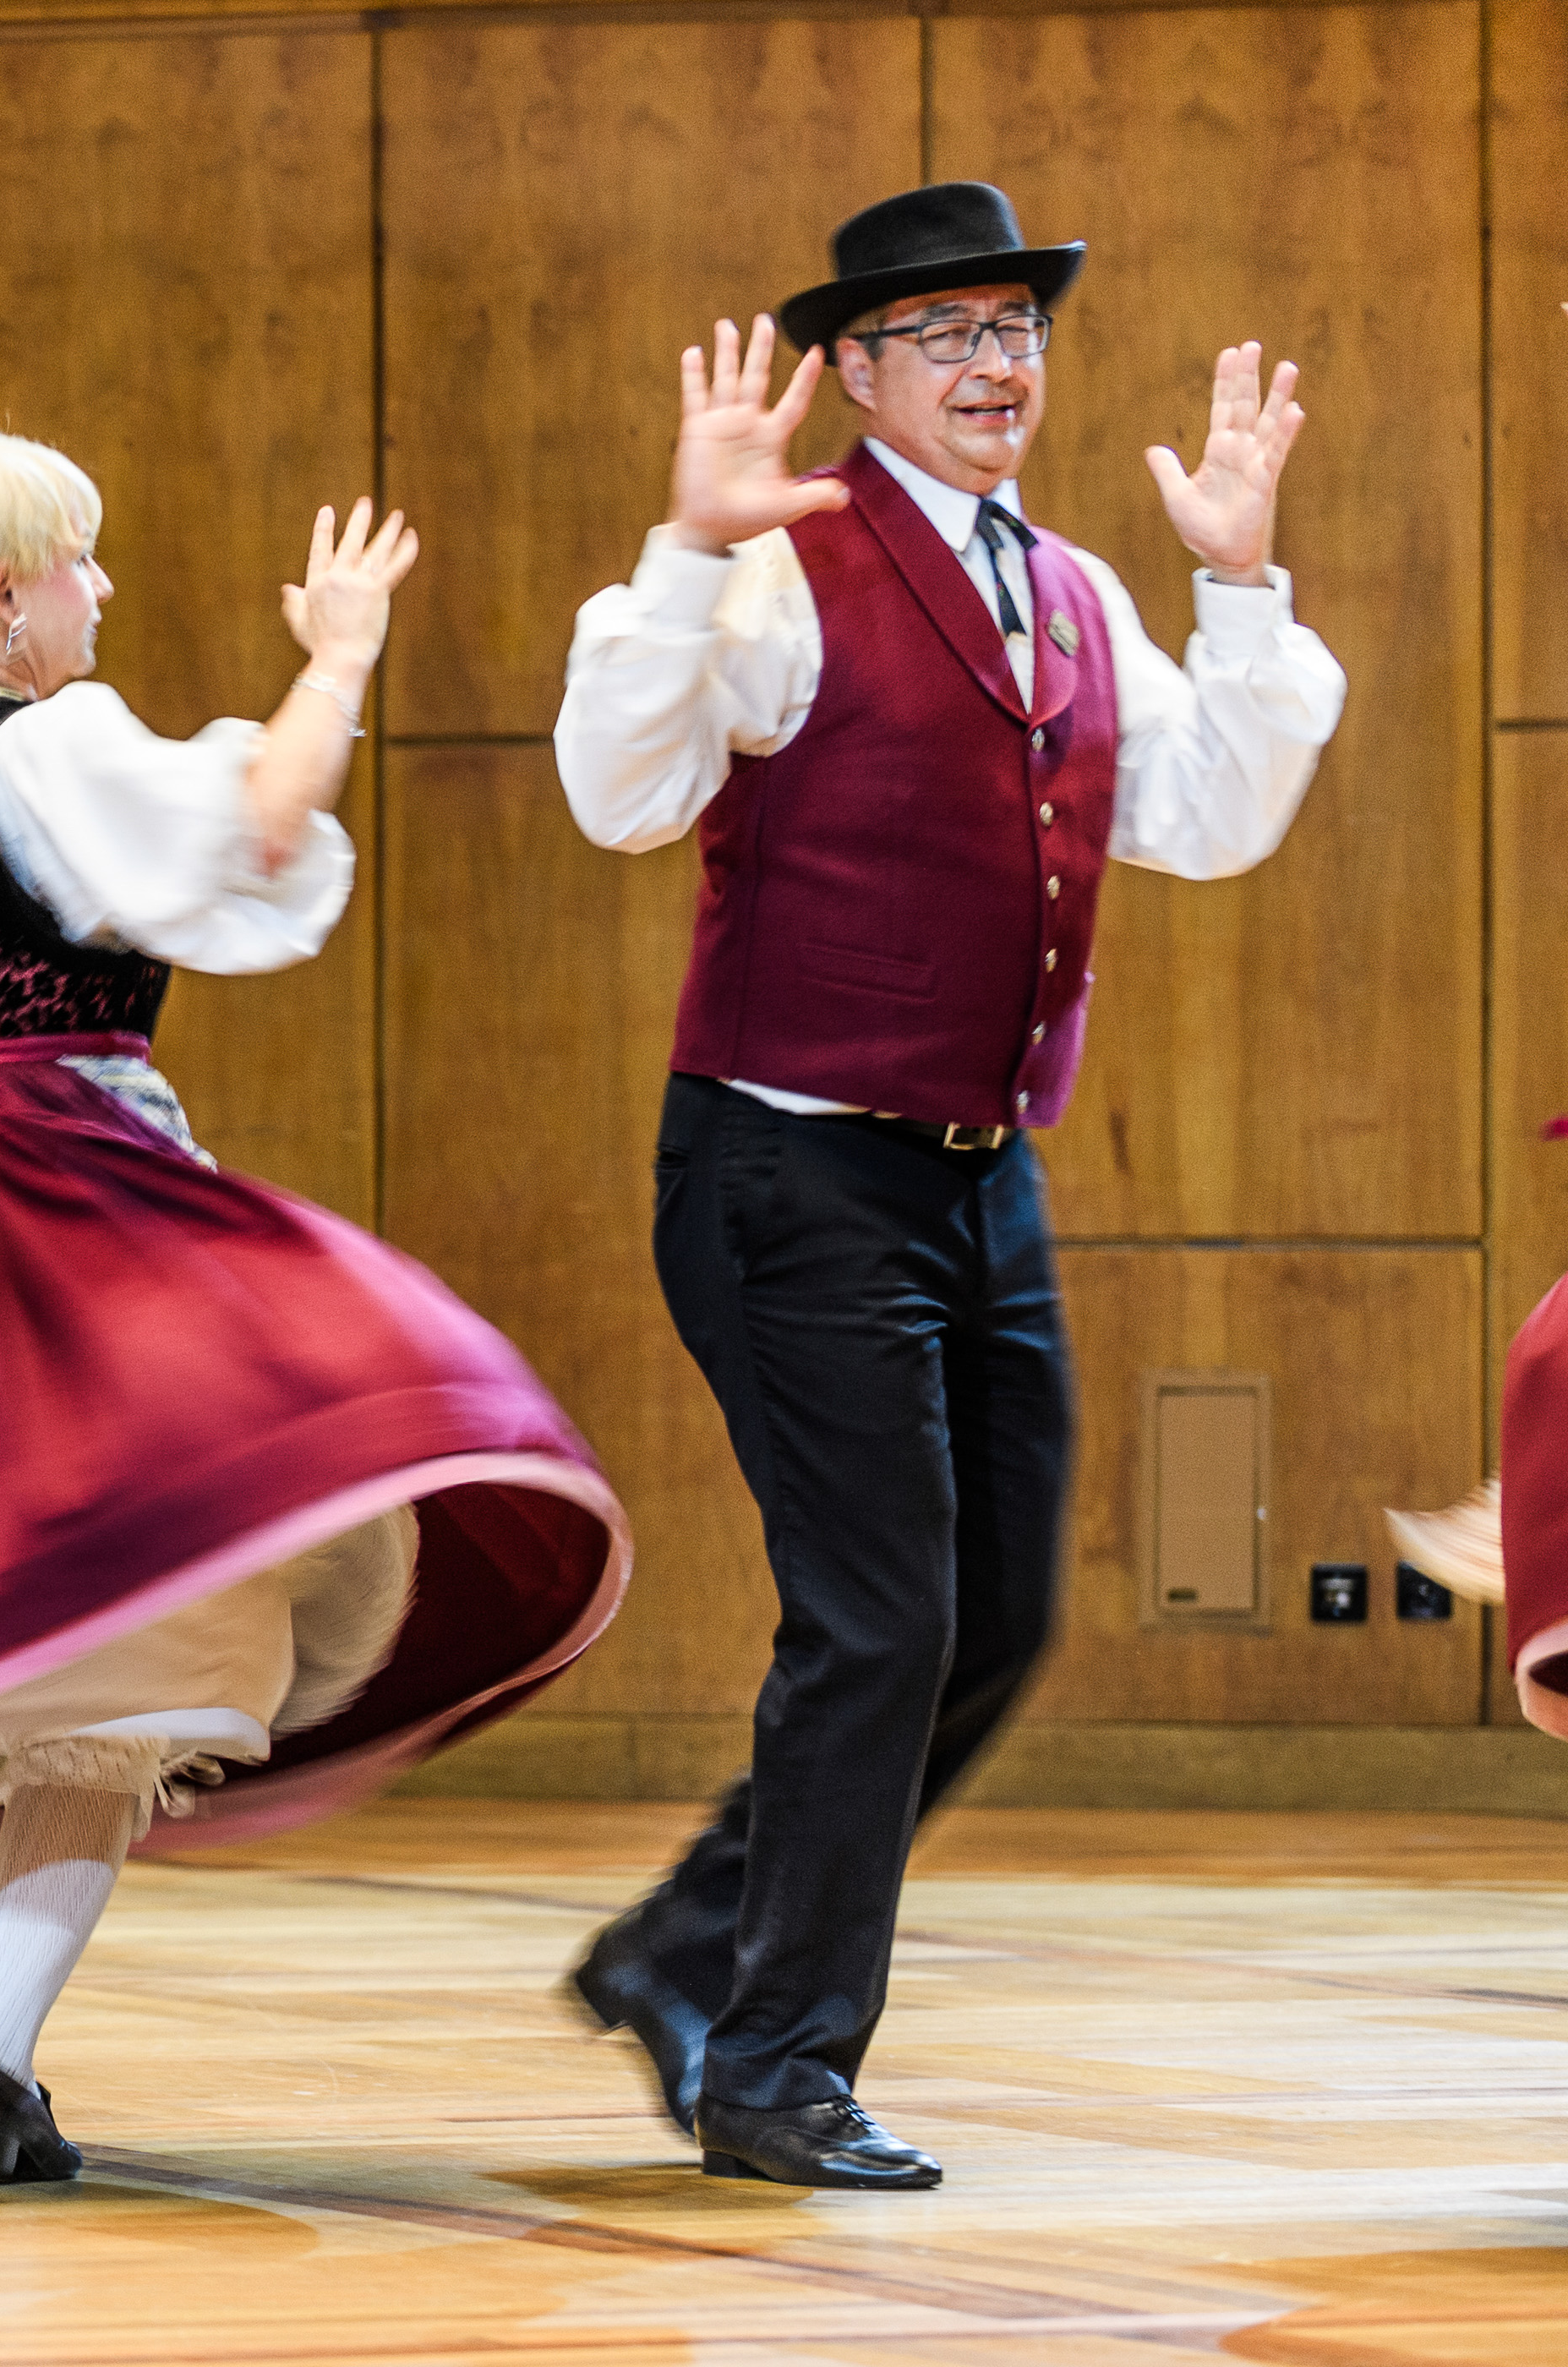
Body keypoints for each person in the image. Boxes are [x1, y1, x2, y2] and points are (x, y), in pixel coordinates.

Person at [0, 427, 631, 2181]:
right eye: (87, 562)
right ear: (13, 589)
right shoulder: (63, 739)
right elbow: (261, 824)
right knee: (150, 1636)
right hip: (59, 1183)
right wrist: (336, 655)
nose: (104, 590)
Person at [552, 183, 1345, 2188]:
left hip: (979, 1178)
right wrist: (682, 551)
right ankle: (774, 2065)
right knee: (881, 1611)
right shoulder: (774, 570)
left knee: (987, 1614)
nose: (1002, 366)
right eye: (952, 334)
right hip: (786, 1159)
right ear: (857, 372)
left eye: (1021, 328)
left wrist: (1239, 590)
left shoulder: (1071, 584)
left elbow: (1208, 820)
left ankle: (681, 1955)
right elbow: (617, 788)